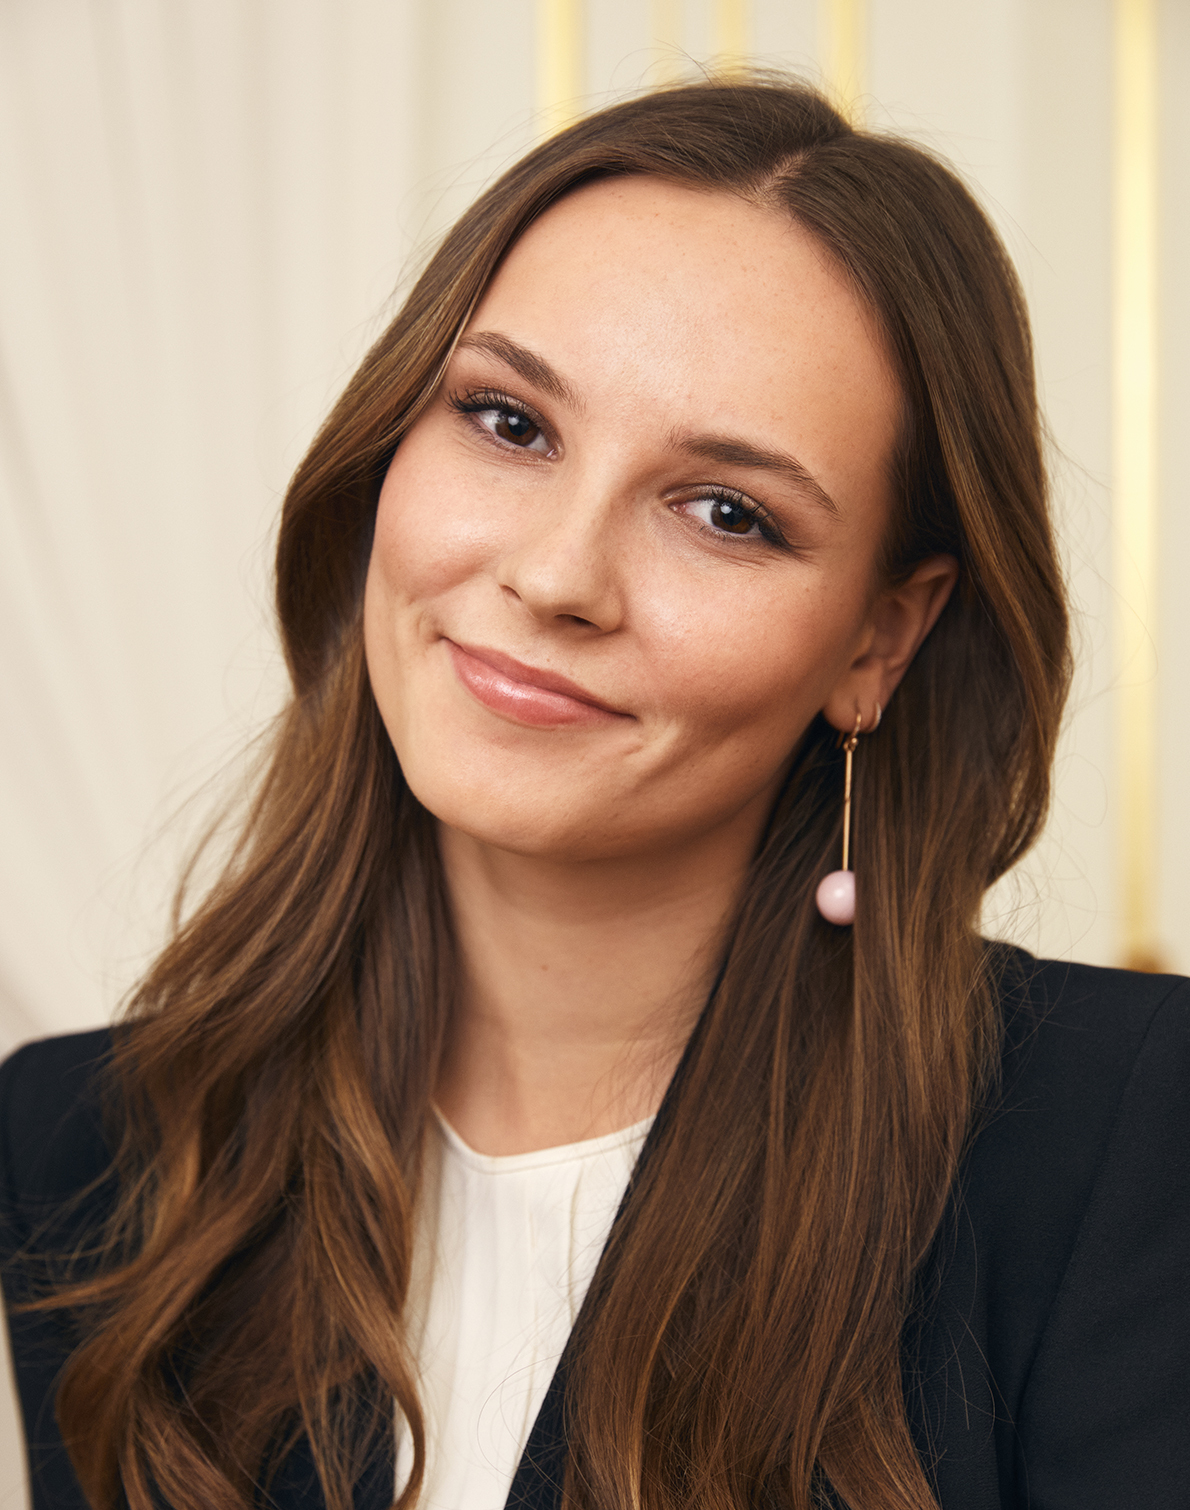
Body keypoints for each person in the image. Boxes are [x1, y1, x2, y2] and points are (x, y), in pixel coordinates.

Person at [1, 73, 1187, 1510]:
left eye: (725, 512)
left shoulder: (1122, 1138)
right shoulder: (96, 1148)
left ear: (878, 638)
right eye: (507, 422)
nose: (556, 576)